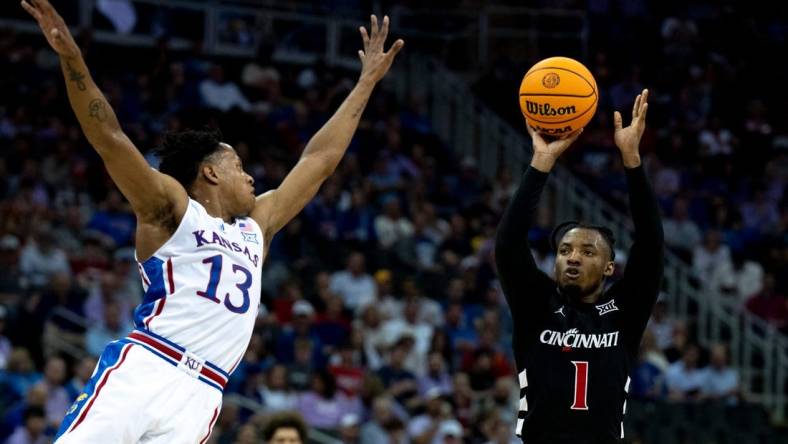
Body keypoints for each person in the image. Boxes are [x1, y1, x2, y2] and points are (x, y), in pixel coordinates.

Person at [20, 1, 403, 442]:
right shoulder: (172, 208)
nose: (252, 176)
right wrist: (72, 58)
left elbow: (319, 160)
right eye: (240, 166)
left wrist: (365, 84)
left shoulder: (256, 227)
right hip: (149, 366)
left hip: (205, 392)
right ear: (211, 172)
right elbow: (109, 138)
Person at [495, 90, 663, 443]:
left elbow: (650, 245)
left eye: (587, 252)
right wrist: (540, 163)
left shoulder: (624, 312)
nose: (572, 256)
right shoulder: (537, 305)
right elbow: (509, 245)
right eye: (565, 250)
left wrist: (632, 160)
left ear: (608, 268)